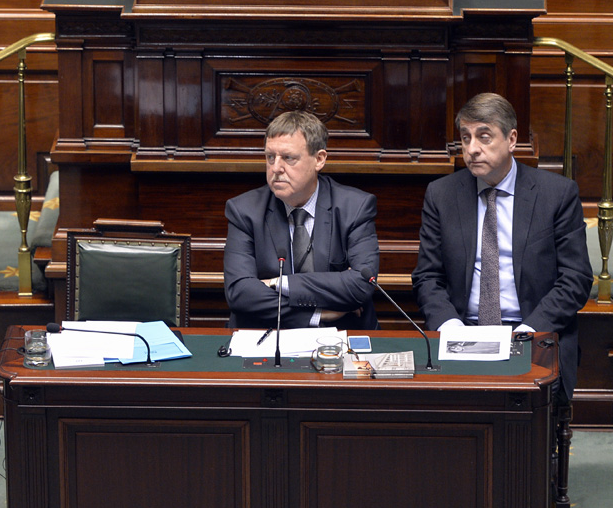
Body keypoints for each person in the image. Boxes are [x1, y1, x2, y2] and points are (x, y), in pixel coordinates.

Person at [411, 92, 592, 401]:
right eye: (465, 138)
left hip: (534, 332)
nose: (472, 149)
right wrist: (451, 326)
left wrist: (529, 330)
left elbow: (576, 279)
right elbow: (428, 277)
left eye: (484, 137)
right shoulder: (442, 194)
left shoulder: (556, 194)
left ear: (512, 139)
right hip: (464, 330)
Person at [224, 110, 379, 331]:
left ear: (319, 159)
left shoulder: (355, 207)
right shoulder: (244, 210)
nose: (276, 168)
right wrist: (315, 313)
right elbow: (239, 292)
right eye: (270, 157)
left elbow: (362, 284)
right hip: (268, 334)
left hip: (344, 333)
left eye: (288, 158)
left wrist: (278, 284)